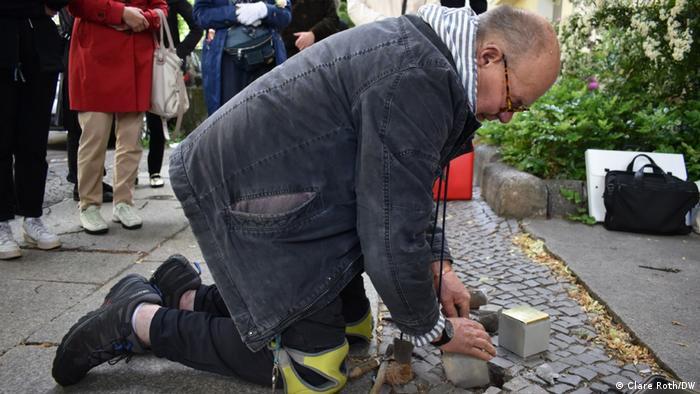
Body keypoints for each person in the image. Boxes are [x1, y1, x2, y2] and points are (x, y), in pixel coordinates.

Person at [52, 5, 562, 392]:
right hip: (256, 198)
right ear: (489, 56)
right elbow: (388, 232)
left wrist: (438, 264)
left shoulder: (430, 61)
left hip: (294, 195)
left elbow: (402, 188)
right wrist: (434, 330)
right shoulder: (420, 79)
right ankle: (139, 322)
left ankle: (184, 293)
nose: (509, 115)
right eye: (516, 100)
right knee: (315, 373)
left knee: (354, 326)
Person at [68, 0, 168, 235]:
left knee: (131, 139)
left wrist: (145, 18)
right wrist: (121, 13)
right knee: (95, 137)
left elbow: (161, 7)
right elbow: (76, 4)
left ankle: (124, 202)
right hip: (94, 54)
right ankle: (89, 205)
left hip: (136, 54)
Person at [0, 0, 68, 260]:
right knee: (2, 142)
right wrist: (36, 8)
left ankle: (33, 216)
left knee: (34, 143)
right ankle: (2, 222)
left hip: (40, 52)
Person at [57, 8, 115, 203]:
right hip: (75, 52)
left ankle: (92, 179)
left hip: (91, 53)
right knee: (77, 125)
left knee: (94, 126)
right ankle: (80, 182)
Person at [194, 0, 292, 115]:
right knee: (229, 120)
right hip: (226, 63)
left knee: (270, 118)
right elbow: (201, 15)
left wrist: (264, 10)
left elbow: (285, 15)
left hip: (268, 58)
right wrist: (235, 13)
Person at [145, 0, 204, 188]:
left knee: (158, 115)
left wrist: (179, 53)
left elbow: (197, 27)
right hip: (136, 58)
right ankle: (128, 172)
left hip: (164, 63)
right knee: (130, 117)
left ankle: (154, 170)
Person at [347, 0, 438, 26]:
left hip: (416, 40)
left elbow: (434, 7)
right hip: (378, 40)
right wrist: (387, 24)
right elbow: (354, 7)